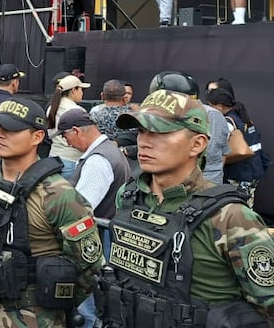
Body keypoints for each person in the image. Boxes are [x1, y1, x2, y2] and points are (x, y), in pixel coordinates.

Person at [96, 90, 274, 326]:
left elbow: (268, 304)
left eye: (159, 132)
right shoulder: (129, 196)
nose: (144, 142)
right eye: (141, 131)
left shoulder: (230, 217)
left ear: (197, 144)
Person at [0, 96, 104, 328]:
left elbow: (89, 265)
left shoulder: (58, 194)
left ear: (37, 137)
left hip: (32, 314)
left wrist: (53, 304)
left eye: (10, 129)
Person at [59, 109, 131, 328]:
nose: (66, 142)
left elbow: (80, 209)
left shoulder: (98, 160)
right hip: (106, 236)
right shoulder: (108, 151)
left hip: (98, 240)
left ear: (76, 131)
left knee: (88, 306)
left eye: (65, 136)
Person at [149, 71, 229, 184]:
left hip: (200, 183)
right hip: (178, 181)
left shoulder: (210, 115)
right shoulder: (213, 114)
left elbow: (212, 154)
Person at [205, 88, 269, 199]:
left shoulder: (228, 122)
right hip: (255, 169)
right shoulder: (243, 117)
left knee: (235, 203)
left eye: (210, 105)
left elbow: (216, 144)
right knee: (247, 202)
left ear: (220, 106)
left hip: (239, 173)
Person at [46, 74, 90, 178]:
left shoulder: (51, 108)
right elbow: (85, 138)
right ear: (73, 90)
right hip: (71, 159)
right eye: (81, 89)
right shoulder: (77, 111)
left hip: (53, 157)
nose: (82, 93)